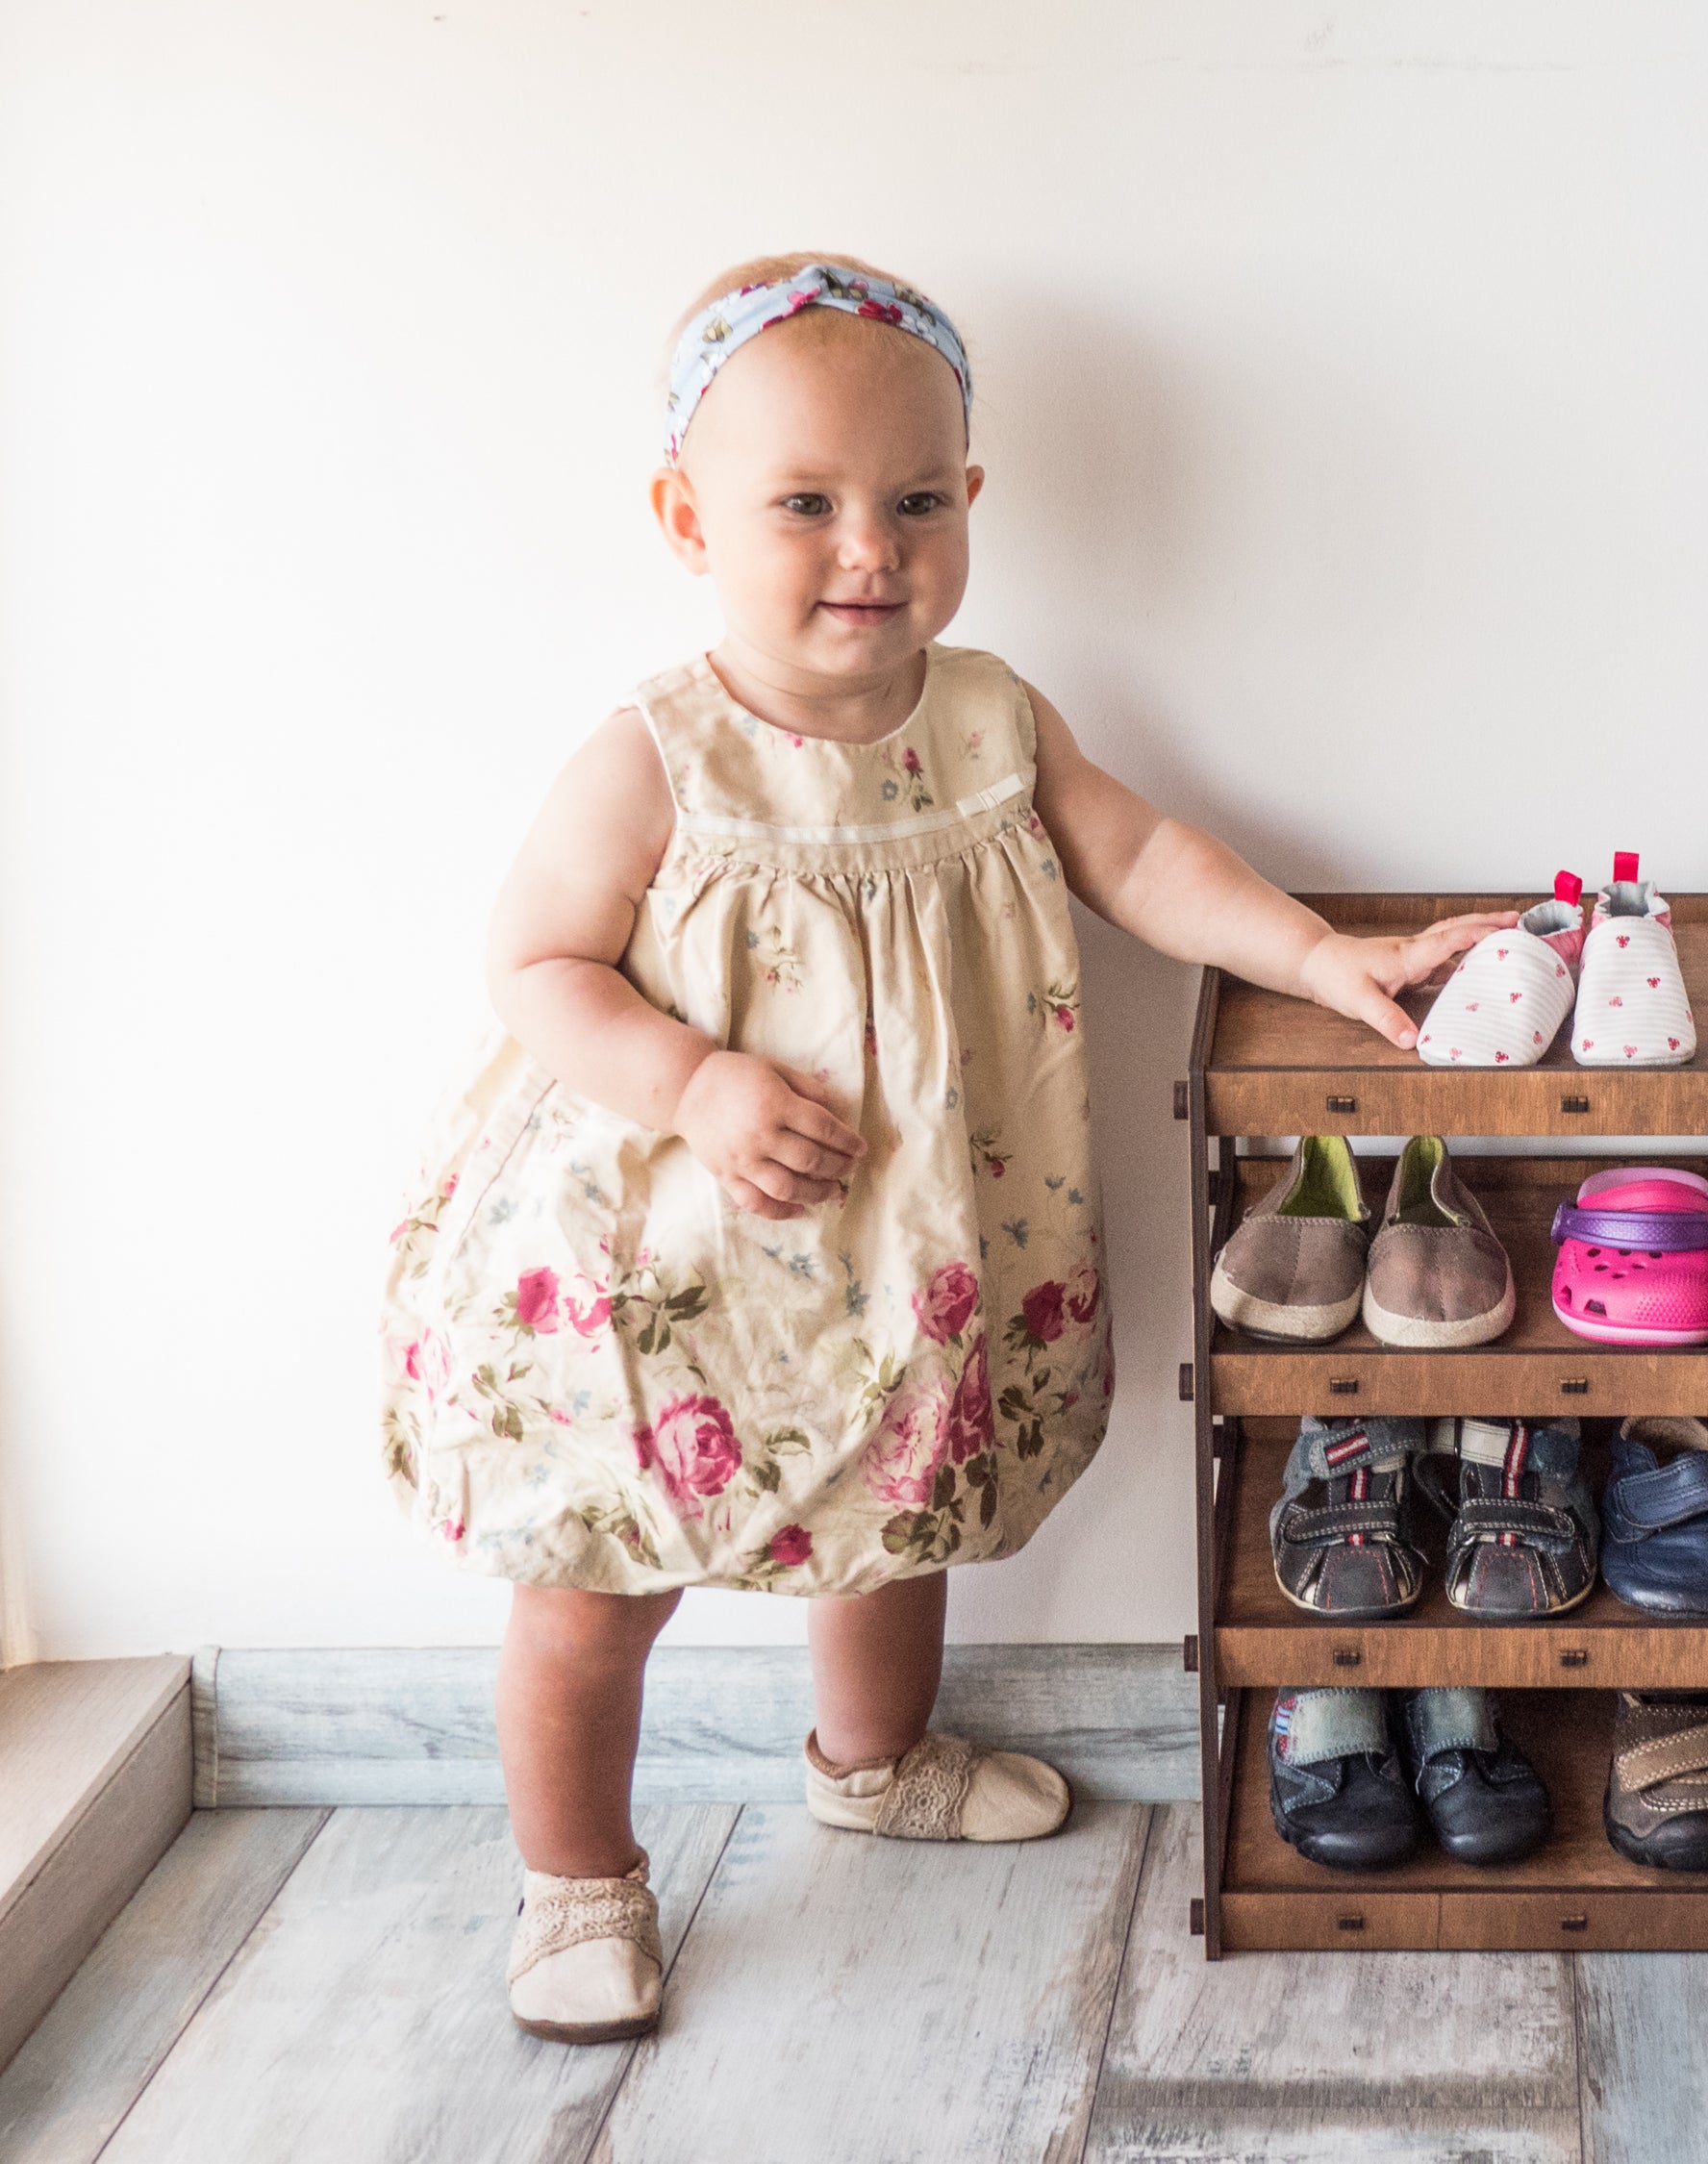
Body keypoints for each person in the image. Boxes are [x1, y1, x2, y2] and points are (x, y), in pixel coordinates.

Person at [380, 253, 1508, 2041]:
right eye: (804, 505)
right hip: (662, 1264)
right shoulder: (658, 758)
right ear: (688, 516)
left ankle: (874, 1755)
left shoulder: (987, 717)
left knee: (906, 1501)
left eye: (914, 500)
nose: (867, 548)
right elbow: (534, 963)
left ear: (970, 502)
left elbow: (1139, 862)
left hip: (905, 1241)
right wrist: (689, 1080)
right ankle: (574, 1873)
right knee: (596, 1571)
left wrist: (1323, 955)